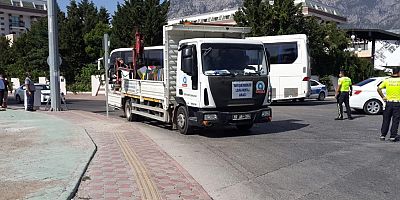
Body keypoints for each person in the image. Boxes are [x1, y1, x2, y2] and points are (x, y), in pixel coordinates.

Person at [377, 68, 400, 142]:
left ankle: (383, 135)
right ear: (399, 72)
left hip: (388, 103)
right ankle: (392, 136)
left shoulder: (387, 80)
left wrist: (383, 97)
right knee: (395, 120)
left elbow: (378, 88)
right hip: (397, 103)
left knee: (386, 119)